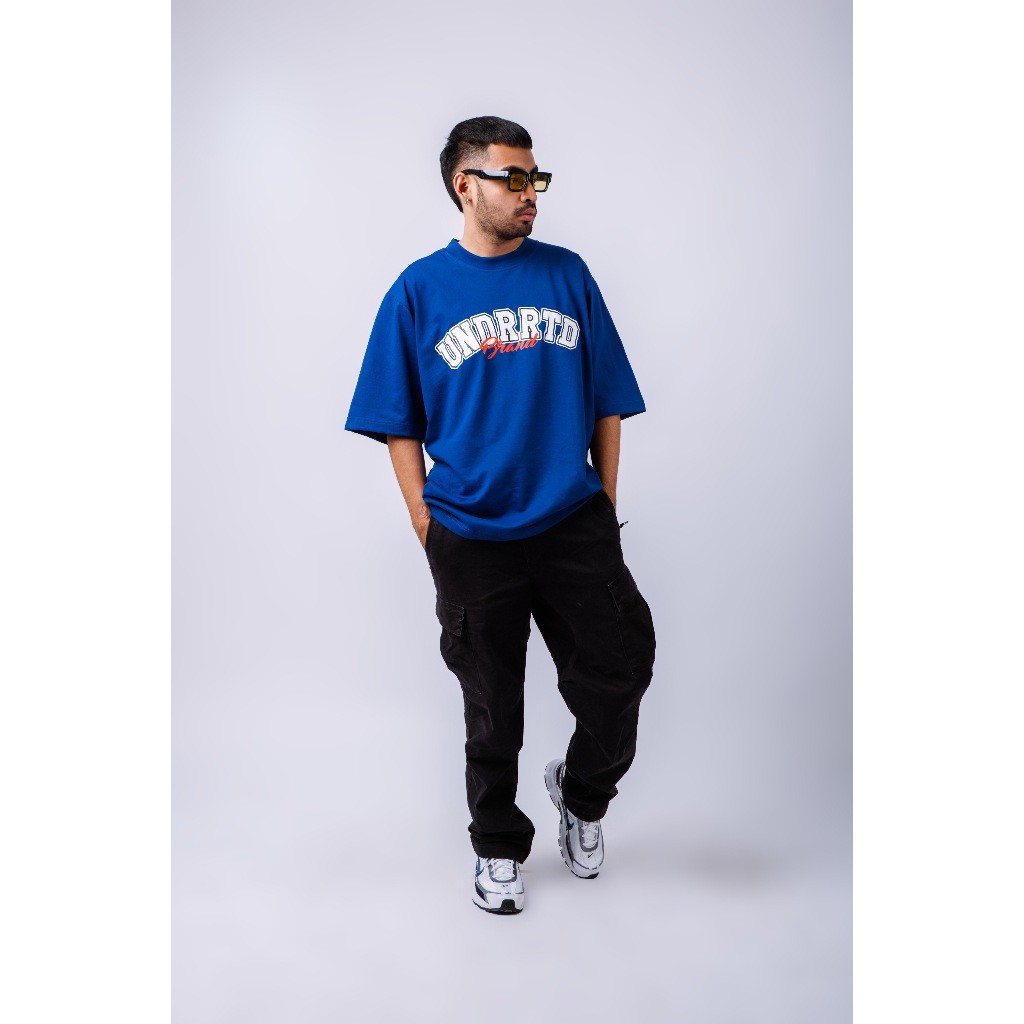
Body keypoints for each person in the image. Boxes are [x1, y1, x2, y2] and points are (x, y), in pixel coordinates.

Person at [345, 115, 656, 915]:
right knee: (493, 707)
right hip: (471, 535)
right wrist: (428, 526)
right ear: (465, 185)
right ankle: (496, 847)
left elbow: (607, 401)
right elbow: (397, 421)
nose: (530, 194)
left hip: (571, 520)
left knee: (621, 669)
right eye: (513, 179)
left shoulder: (567, 274)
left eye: (534, 178)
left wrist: (604, 504)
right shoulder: (418, 290)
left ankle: (581, 797)